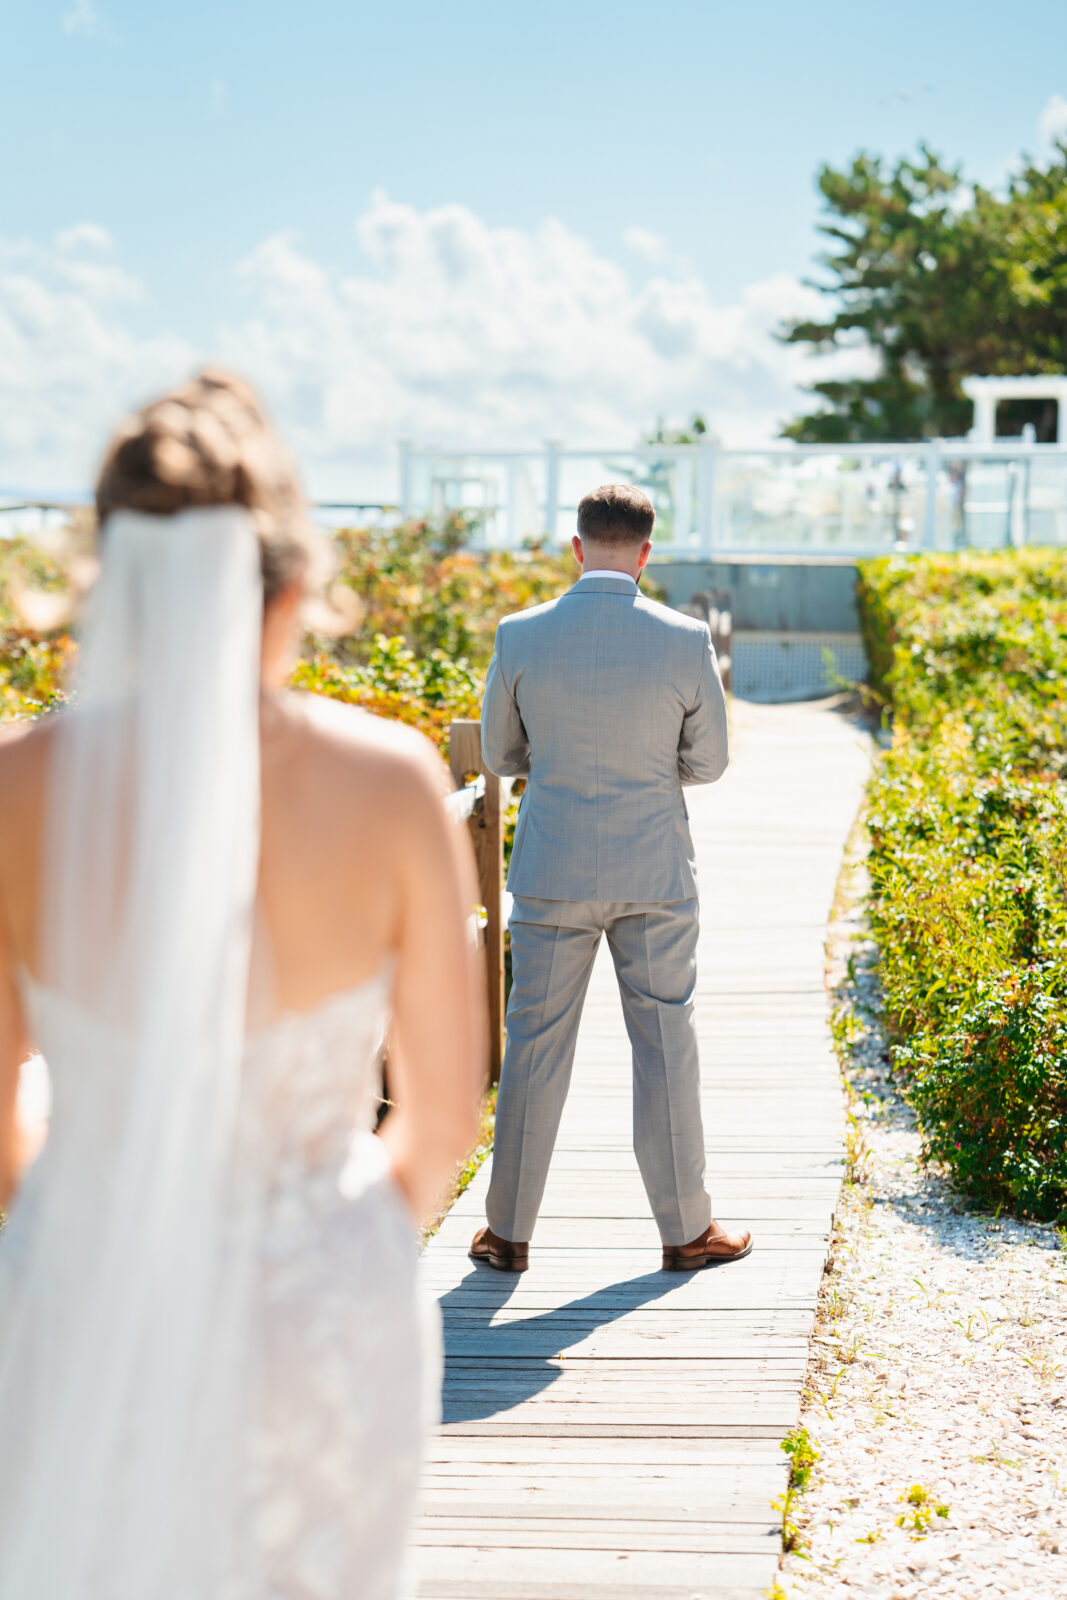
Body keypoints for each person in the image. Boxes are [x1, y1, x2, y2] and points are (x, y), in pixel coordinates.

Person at [0, 369, 484, 1598]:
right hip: (319, 1304)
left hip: (82, 1282)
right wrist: (334, 1234)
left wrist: (87, 1204)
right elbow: (442, 1115)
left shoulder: (15, 790)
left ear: (109, 576)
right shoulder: (390, 779)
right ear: (290, 581)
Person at [470, 483, 752, 1273]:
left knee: (532, 1046)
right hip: (653, 869)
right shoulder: (684, 637)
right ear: (645, 553)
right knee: (665, 1042)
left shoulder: (519, 635)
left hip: (553, 867)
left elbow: (498, 754)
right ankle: (687, 1231)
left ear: (577, 546)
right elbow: (710, 762)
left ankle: (506, 1233)